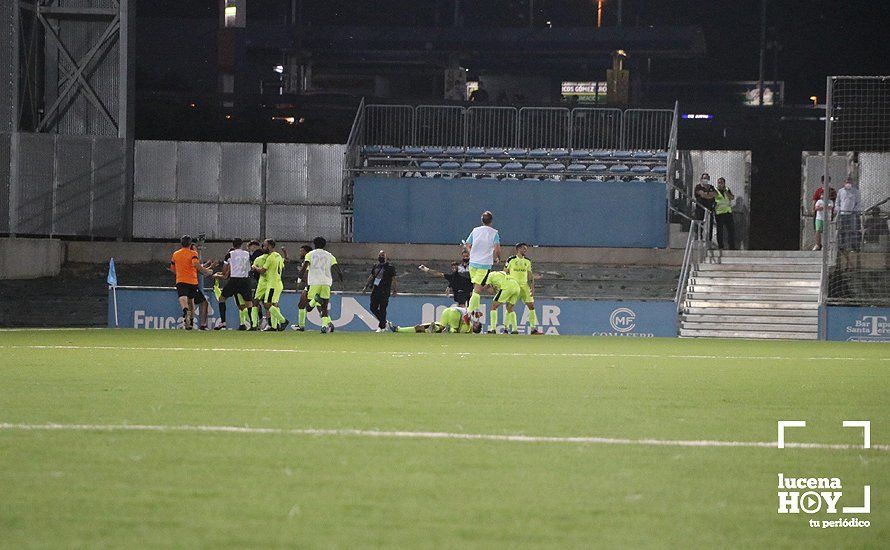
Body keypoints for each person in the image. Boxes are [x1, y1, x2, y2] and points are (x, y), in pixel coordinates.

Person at [298, 236, 344, 334]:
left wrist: (299, 279)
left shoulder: (310, 254)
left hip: (314, 282)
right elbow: (337, 269)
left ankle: (315, 300)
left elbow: (304, 267)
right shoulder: (330, 255)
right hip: (326, 282)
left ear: (314, 244)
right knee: (324, 307)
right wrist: (341, 280)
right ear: (324, 245)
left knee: (309, 308)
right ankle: (323, 326)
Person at [168, 235, 212, 330]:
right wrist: (206, 272)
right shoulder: (193, 253)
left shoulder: (175, 254)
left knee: (183, 298)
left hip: (180, 280)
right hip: (192, 281)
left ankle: (185, 311)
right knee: (196, 302)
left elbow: (172, 268)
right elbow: (195, 264)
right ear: (190, 243)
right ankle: (195, 323)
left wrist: (179, 273)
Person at [213, 238, 254, 330]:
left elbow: (224, 270)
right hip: (245, 280)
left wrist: (220, 274)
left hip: (234, 280)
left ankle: (223, 322)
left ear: (233, 245)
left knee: (222, 299)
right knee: (249, 303)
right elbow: (251, 265)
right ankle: (253, 324)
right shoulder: (247, 254)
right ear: (241, 245)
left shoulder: (229, 254)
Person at [466, 210, 501, 317]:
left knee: (476, 288)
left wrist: (471, 253)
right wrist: (498, 257)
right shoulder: (494, 233)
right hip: (484, 264)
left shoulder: (475, 231)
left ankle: (475, 310)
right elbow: (497, 248)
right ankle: (467, 314)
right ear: (491, 221)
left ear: (482, 220)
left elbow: (467, 244)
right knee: (477, 290)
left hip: (473, 263)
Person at [504, 243, 541, 335]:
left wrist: (532, 287)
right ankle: (506, 328)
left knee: (531, 306)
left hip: (524, 286)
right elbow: (504, 272)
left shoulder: (527, 261)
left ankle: (533, 329)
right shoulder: (511, 259)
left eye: (526, 249)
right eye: (524, 248)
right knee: (510, 307)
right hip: (514, 286)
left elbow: (530, 275)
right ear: (518, 249)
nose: (525, 250)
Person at [254, 239, 288, 331]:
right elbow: (283, 265)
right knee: (273, 304)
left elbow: (262, 271)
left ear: (269, 246)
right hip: (278, 283)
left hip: (272, 284)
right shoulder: (278, 256)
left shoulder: (270, 257)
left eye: (265, 245)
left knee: (267, 304)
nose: (263, 247)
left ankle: (283, 320)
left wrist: (254, 267)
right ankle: (274, 326)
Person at [363, 250, 398, 332]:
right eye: (380, 255)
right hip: (376, 289)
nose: (381, 257)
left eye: (382, 256)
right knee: (373, 307)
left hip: (384, 290)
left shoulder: (390, 267)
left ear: (386, 257)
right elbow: (371, 276)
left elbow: (394, 279)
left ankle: (381, 326)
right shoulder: (376, 266)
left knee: (382, 308)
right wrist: (366, 286)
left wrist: (394, 289)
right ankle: (384, 322)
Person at [389, 306, 483, 334]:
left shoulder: (469, 326)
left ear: (475, 329)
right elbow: (466, 317)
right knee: (453, 330)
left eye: (476, 325)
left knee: (420, 328)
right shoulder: (468, 327)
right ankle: (443, 330)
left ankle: (398, 329)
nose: (475, 323)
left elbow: (467, 315)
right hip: (454, 314)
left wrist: (475, 313)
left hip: (448, 311)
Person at [836, 177, 861, 253]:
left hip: (852, 214)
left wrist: (854, 211)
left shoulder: (855, 192)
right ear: (844, 183)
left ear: (852, 183)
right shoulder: (840, 191)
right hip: (842, 214)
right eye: (846, 182)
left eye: (849, 182)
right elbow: (837, 202)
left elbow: (858, 203)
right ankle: (842, 247)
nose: (848, 184)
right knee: (842, 230)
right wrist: (839, 210)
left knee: (853, 230)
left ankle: (854, 247)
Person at [291, 244, 313, 332]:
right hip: (310, 285)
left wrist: (300, 276)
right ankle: (301, 326)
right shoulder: (307, 260)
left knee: (319, 307)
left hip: (311, 285)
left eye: (302, 251)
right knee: (302, 304)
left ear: (306, 252)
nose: (300, 253)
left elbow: (307, 275)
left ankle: (328, 324)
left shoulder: (307, 260)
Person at [713, 177, 736, 250]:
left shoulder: (727, 189)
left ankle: (731, 246)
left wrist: (726, 192)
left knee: (731, 230)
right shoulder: (715, 190)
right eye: (719, 182)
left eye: (721, 183)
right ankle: (720, 246)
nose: (720, 184)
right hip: (719, 212)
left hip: (728, 212)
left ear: (724, 183)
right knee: (720, 230)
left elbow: (732, 197)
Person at [694, 173, 716, 243]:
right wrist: (708, 195)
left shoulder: (711, 187)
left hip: (710, 208)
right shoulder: (698, 187)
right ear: (701, 179)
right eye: (704, 178)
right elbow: (702, 194)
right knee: (700, 222)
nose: (705, 180)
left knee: (710, 224)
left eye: (706, 178)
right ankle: (698, 236)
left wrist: (706, 194)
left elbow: (714, 195)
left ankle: (709, 239)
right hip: (700, 208)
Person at [247, 240, 264, 330]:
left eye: (250, 247)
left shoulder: (257, 254)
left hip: (262, 282)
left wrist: (253, 268)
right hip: (264, 281)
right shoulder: (263, 254)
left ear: (254, 246)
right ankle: (273, 323)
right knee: (268, 303)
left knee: (256, 302)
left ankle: (257, 323)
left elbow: (252, 266)